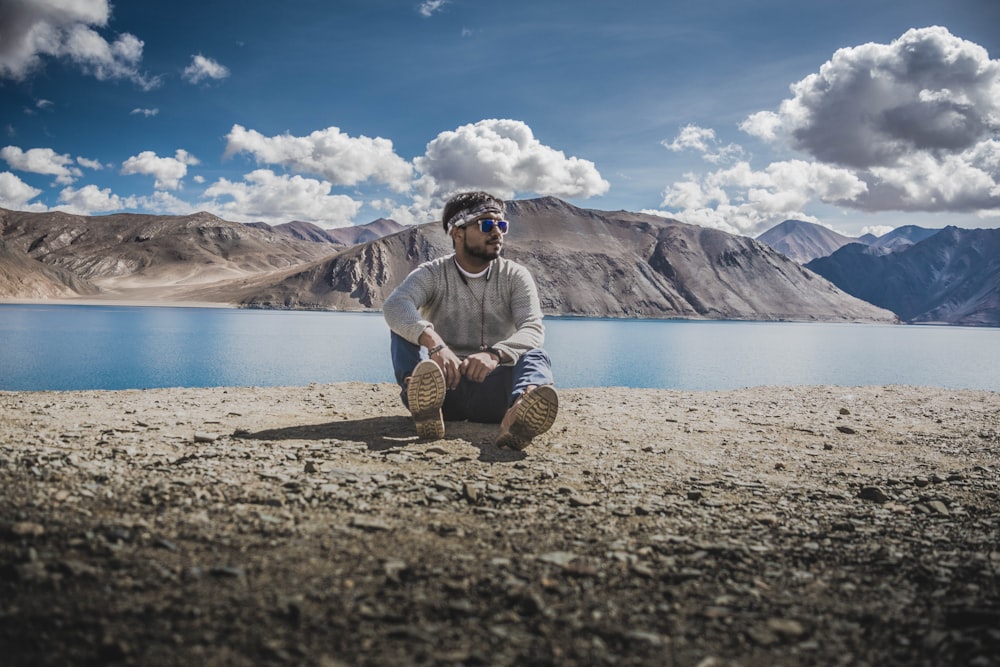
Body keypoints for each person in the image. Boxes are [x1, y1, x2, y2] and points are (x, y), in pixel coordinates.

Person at [383, 191, 558, 449]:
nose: (497, 232)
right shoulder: (433, 273)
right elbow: (395, 305)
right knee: (403, 328)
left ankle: (519, 412)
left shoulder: (515, 275)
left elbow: (532, 328)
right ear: (458, 232)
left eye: (502, 225)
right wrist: (435, 345)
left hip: (493, 391)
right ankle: (423, 404)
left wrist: (496, 355)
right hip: (442, 388)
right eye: (487, 224)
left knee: (535, 355)